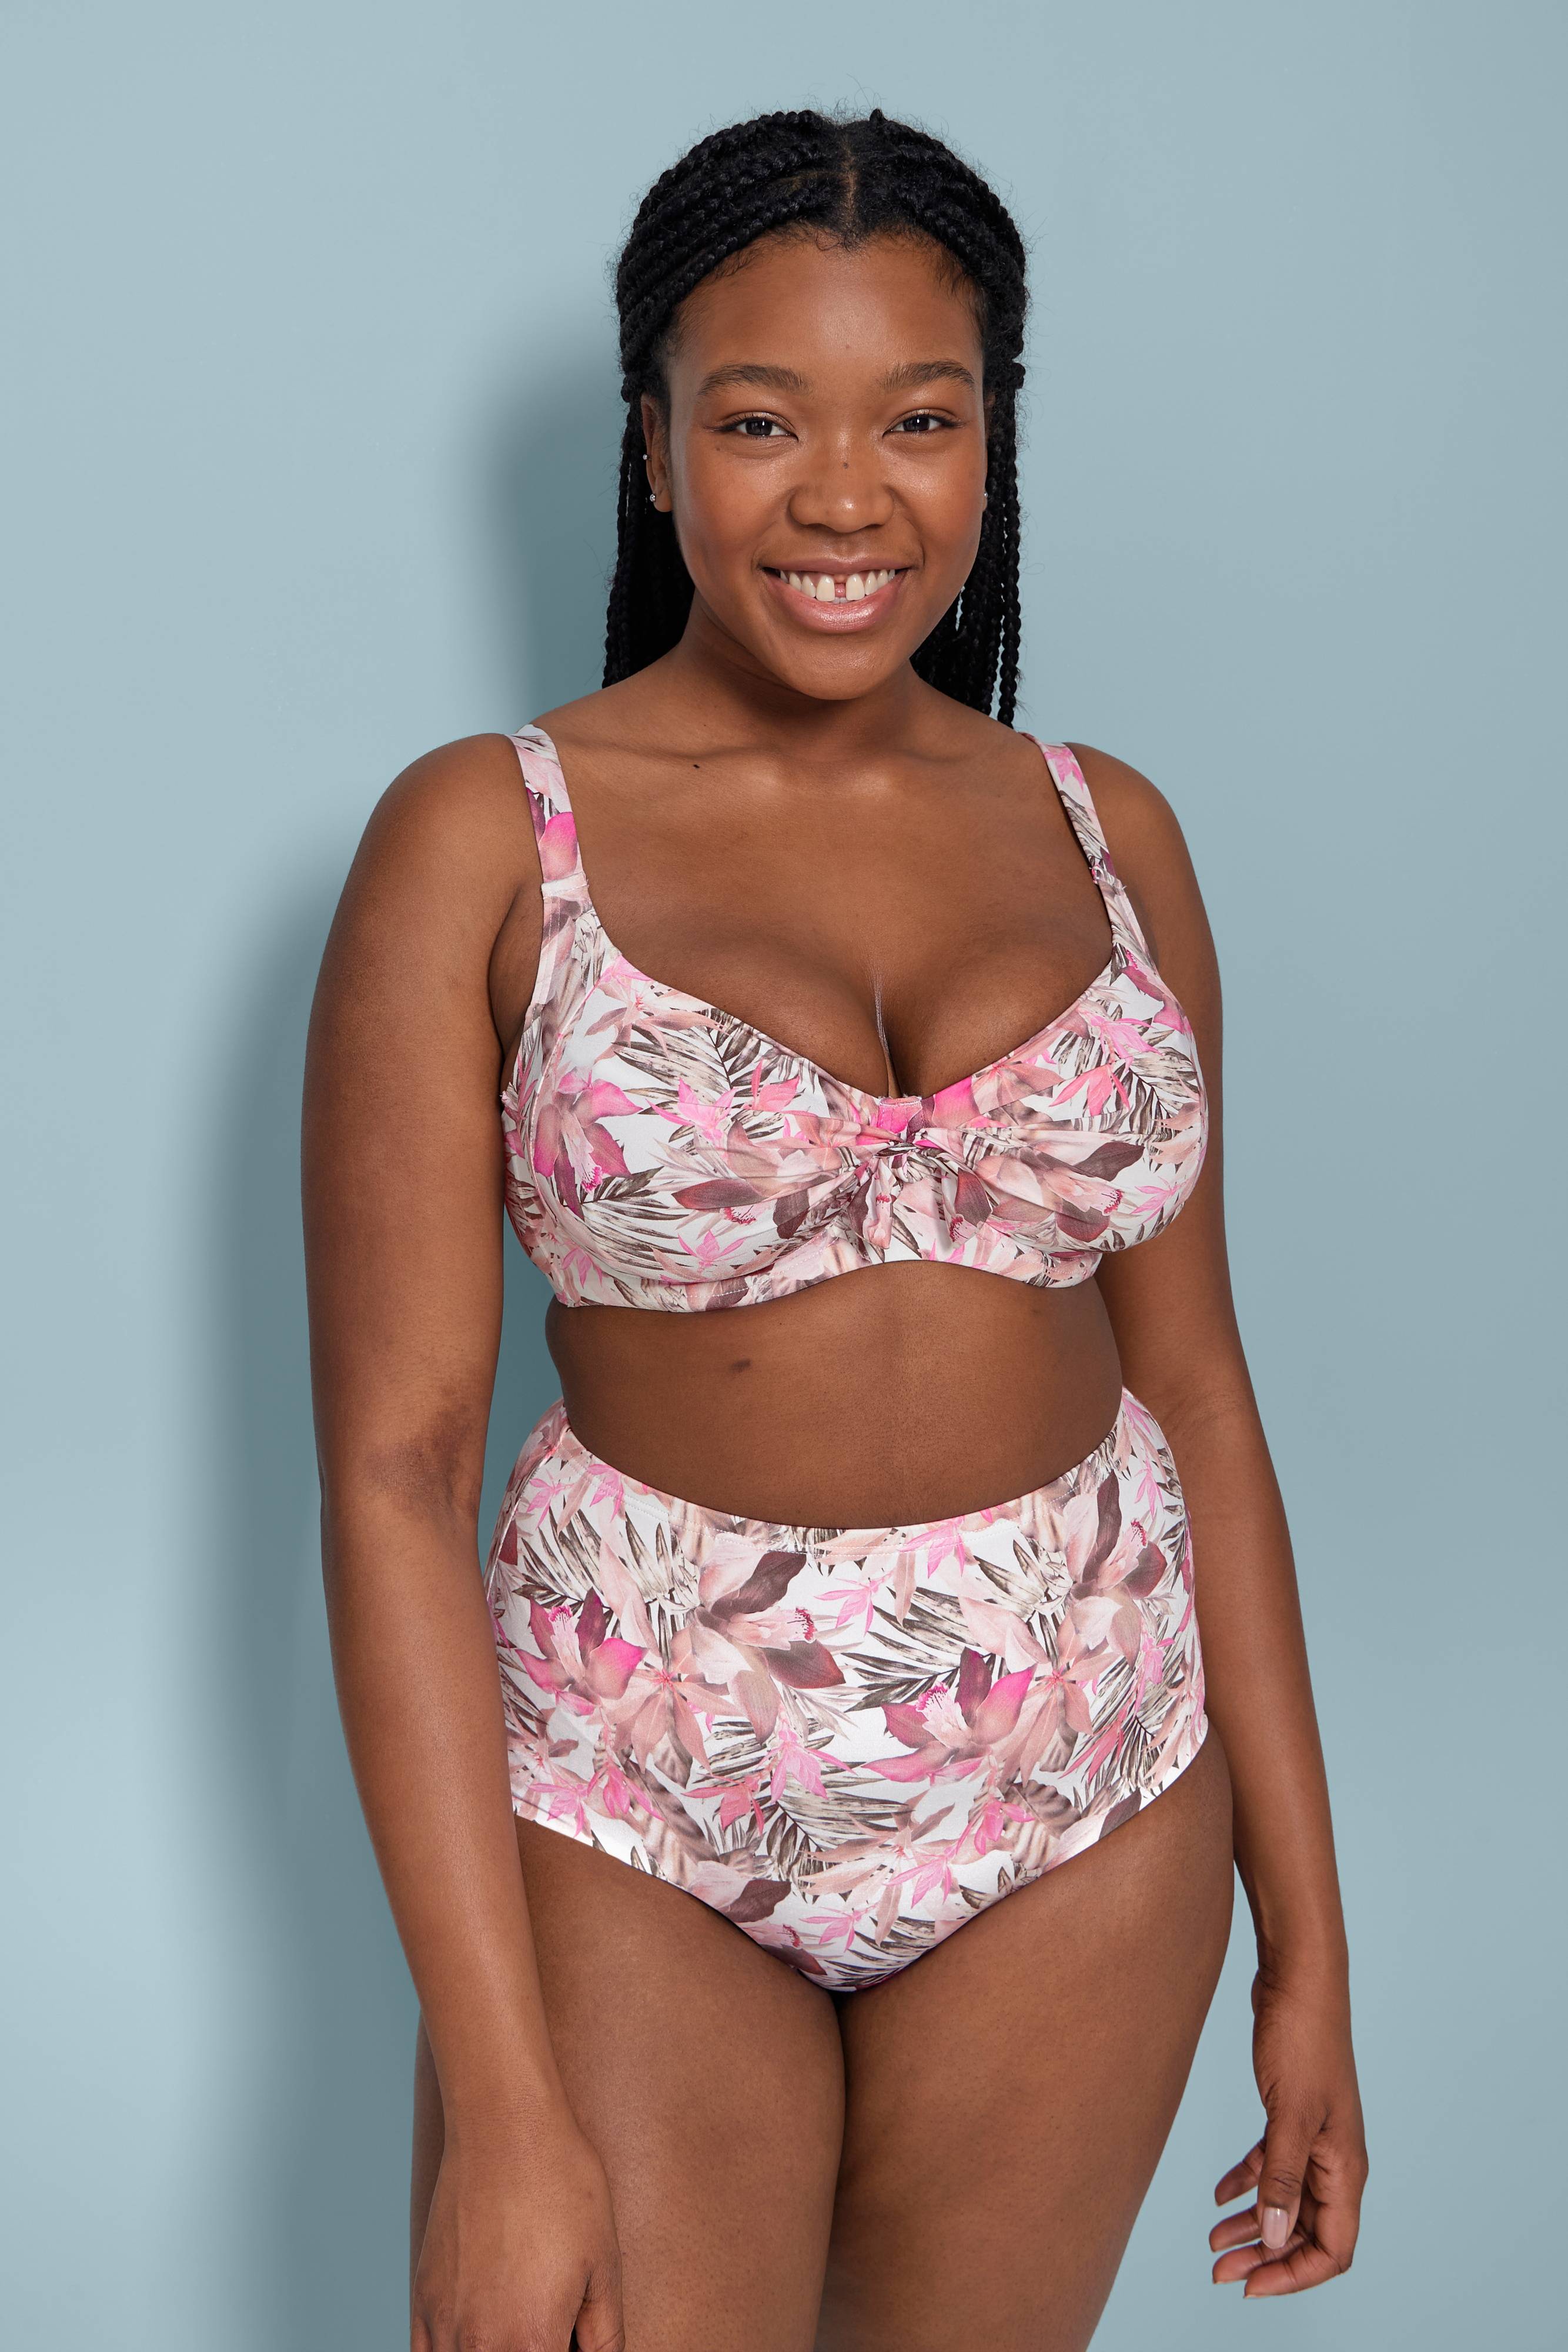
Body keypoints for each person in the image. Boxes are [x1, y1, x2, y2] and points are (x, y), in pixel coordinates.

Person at [303, 106, 1367, 2352]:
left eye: (923, 418)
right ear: (653, 445)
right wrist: (503, 2110)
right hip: (638, 1783)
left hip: (1090, 1771)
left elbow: (1199, 1397)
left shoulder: (1106, 833)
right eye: (761, 419)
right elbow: (397, 1467)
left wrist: (1312, 1956)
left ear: (992, 444)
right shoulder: (483, 841)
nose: (847, 497)